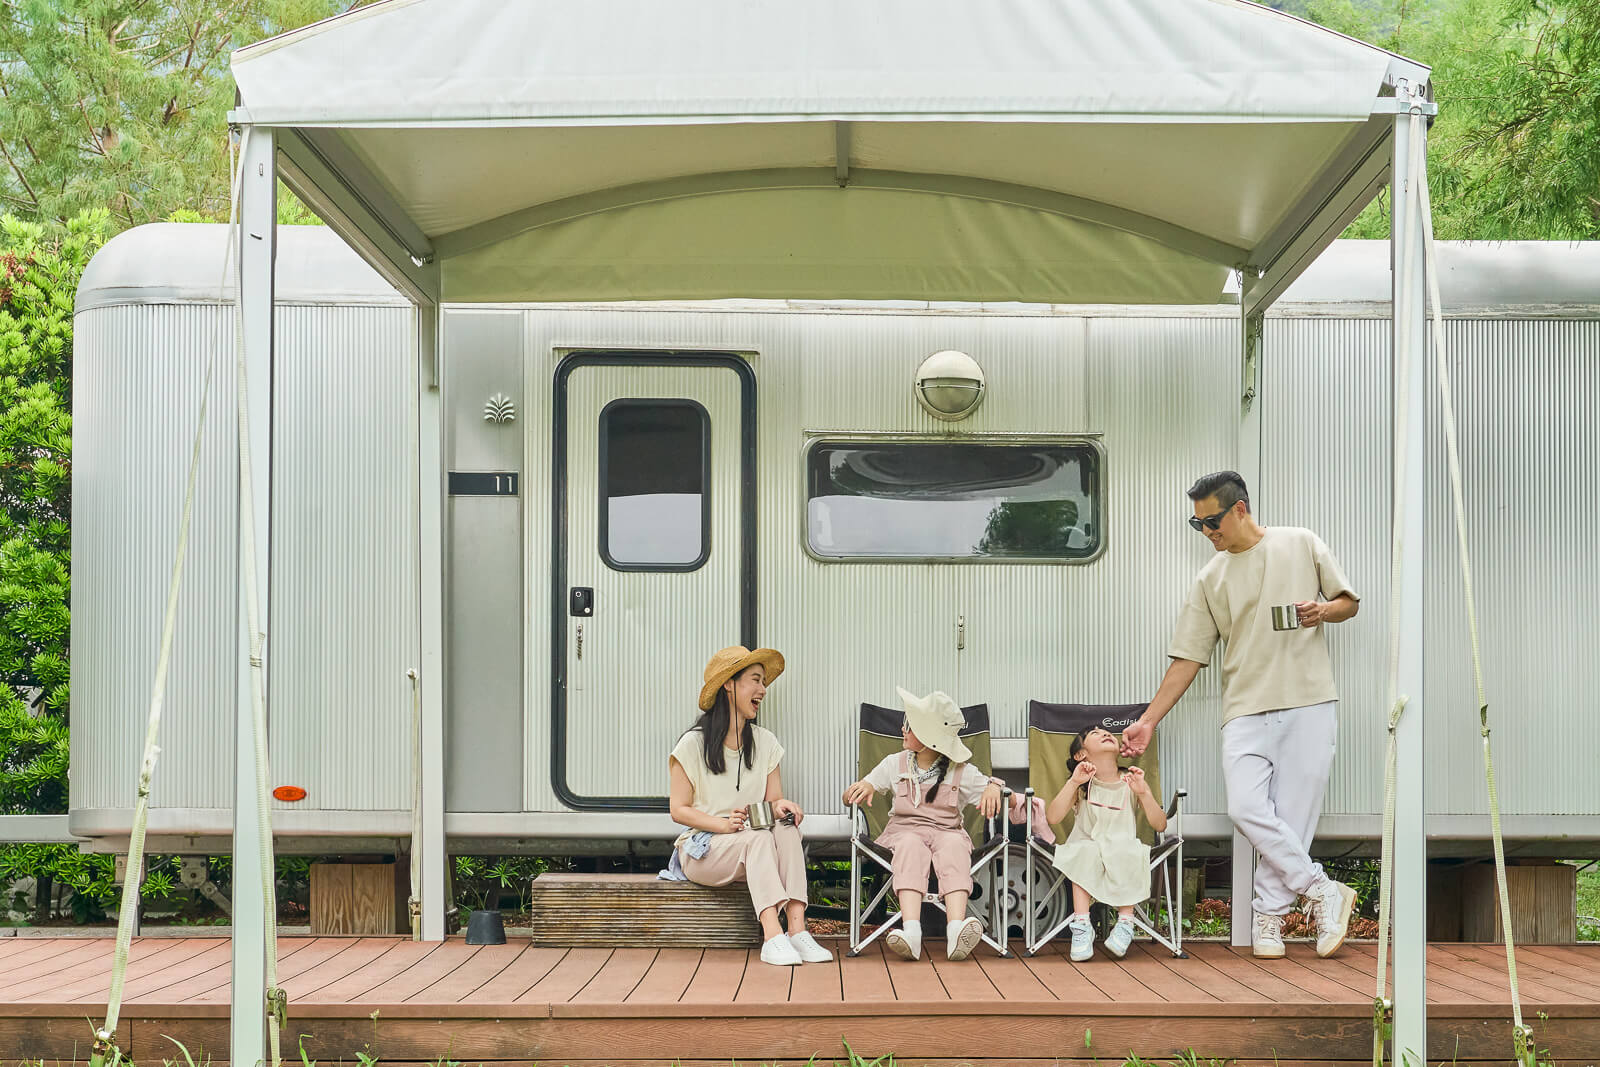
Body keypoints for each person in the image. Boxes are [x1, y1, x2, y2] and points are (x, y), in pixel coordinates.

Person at [1120, 471, 1360, 960]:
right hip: (1244, 710)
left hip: (1308, 702)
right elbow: (1187, 658)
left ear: (1241, 509)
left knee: (1292, 816)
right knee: (1246, 809)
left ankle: (1269, 916)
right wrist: (1148, 720)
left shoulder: (1301, 543)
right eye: (1197, 524)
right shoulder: (1210, 579)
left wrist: (1322, 612)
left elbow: (1348, 603)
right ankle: (1321, 891)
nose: (1207, 532)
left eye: (1213, 521)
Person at [668, 645, 833, 967]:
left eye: (763, 682)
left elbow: (771, 805)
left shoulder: (766, 742)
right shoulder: (691, 745)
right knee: (758, 838)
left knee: (786, 830)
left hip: (751, 845)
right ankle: (772, 935)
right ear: (729, 684)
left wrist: (783, 806)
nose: (763, 690)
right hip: (703, 849)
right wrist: (722, 824)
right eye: (755, 680)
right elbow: (679, 810)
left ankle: (797, 930)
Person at [841, 688, 1004, 962]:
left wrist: (993, 787)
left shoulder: (959, 770)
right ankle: (911, 932)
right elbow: (854, 794)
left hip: (947, 832)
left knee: (954, 846)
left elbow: (999, 791)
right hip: (903, 833)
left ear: (928, 738)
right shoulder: (894, 764)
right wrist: (858, 789)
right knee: (910, 845)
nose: (902, 729)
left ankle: (956, 929)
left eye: (909, 725)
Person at [1045, 726, 1166, 961]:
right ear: (1081, 755)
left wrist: (1143, 793)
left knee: (1129, 849)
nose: (1104, 732)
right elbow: (1053, 817)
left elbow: (1160, 825)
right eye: (1094, 733)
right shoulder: (1082, 785)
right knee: (1083, 850)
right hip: (1088, 845)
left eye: (1107, 731)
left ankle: (1125, 923)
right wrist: (1073, 782)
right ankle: (1082, 925)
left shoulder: (1131, 781)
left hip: (1121, 846)